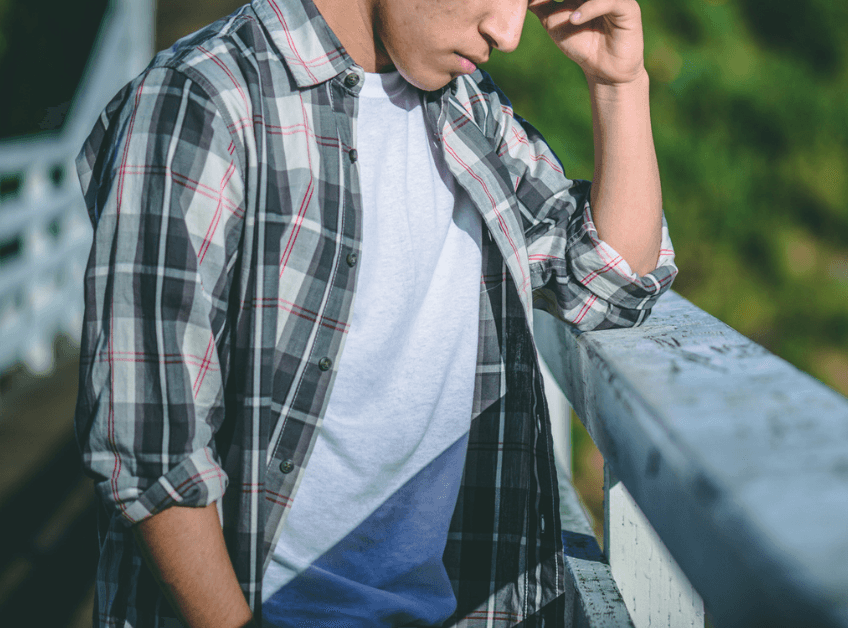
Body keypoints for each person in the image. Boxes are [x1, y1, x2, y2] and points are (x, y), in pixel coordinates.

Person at [73, 0, 676, 625]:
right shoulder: (201, 99)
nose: (508, 33)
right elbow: (152, 445)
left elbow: (608, 280)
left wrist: (619, 85)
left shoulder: (466, 107)